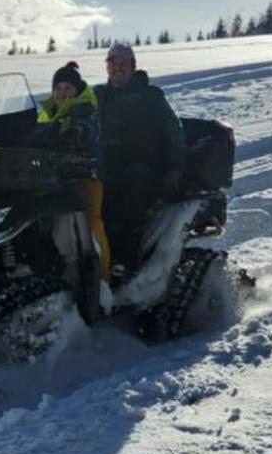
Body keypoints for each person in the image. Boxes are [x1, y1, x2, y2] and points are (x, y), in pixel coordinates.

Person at [94, 42, 185, 275]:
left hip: (143, 165)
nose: (117, 67)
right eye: (112, 63)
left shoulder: (151, 96)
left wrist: (175, 169)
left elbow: (174, 131)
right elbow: (74, 115)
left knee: (128, 186)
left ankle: (126, 260)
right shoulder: (98, 95)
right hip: (104, 164)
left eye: (123, 63)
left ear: (133, 66)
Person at [38, 61, 111, 284]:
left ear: (76, 90)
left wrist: (74, 133)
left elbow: (86, 129)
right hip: (52, 177)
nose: (62, 93)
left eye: (67, 88)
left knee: (91, 221)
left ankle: (102, 278)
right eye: (58, 88)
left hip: (85, 174)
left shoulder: (85, 108)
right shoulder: (46, 111)